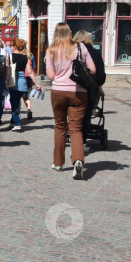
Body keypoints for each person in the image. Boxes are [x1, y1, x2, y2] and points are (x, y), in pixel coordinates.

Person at [45, 23, 95, 178]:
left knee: (60, 126)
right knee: (76, 128)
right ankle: (78, 160)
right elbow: (93, 69)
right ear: (69, 33)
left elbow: (51, 76)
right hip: (78, 92)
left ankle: (58, 162)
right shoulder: (80, 48)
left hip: (59, 91)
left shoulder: (51, 50)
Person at [72, 30, 105, 145]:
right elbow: (101, 75)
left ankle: (74, 137)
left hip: (74, 87)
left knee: (74, 114)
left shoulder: (72, 51)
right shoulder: (95, 53)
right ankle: (83, 141)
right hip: (91, 88)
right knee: (86, 115)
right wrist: (99, 83)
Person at [7, 38, 42, 132]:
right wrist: (36, 83)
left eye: (11, 45)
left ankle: (18, 124)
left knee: (14, 104)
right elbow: (30, 72)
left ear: (14, 47)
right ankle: (13, 122)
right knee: (16, 101)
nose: (10, 47)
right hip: (23, 82)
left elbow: (7, 71)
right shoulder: (25, 57)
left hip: (13, 81)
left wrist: (5, 82)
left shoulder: (9, 56)